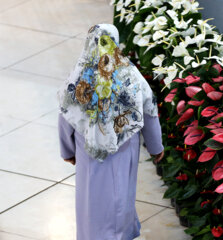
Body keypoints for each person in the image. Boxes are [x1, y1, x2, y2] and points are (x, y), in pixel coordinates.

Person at [57, 23, 164, 240]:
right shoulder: (131, 76)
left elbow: (65, 117)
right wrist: (155, 147)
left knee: (91, 202)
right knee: (121, 198)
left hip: (89, 156)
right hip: (124, 153)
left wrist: (67, 151)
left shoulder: (77, 78)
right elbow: (150, 111)